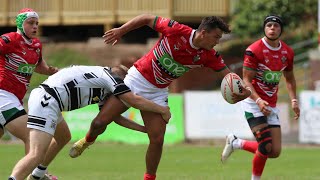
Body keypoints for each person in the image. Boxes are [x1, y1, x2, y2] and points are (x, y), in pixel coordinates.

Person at [70, 14, 252, 180]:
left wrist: (243, 92)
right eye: (216, 37)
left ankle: (149, 178)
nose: (217, 42)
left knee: (157, 140)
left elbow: (229, 78)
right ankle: (87, 140)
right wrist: (121, 30)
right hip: (136, 79)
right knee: (99, 123)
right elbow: (147, 18)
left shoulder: (208, 55)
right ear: (204, 33)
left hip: (157, 92)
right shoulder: (177, 30)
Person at [8, 64, 171, 180]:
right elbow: (133, 100)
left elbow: (113, 117)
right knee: (36, 154)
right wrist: (161, 109)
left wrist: (144, 129)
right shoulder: (109, 78)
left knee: (64, 136)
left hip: (52, 101)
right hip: (47, 100)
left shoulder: (104, 84)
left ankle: (37, 175)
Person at [221, 15, 300, 180]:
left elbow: (290, 78)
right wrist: (257, 100)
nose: (272, 28)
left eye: (276, 26)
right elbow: (246, 80)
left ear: (281, 29)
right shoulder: (253, 50)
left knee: (274, 151)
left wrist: (294, 100)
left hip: (271, 104)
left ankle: (236, 142)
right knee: (265, 145)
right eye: (269, 25)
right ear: (264, 28)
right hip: (252, 103)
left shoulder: (287, 52)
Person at [0, 8, 59, 179]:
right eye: (30, 23)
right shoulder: (9, 39)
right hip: (3, 94)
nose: (35, 27)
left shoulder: (36, 45)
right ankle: (36, 174)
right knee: (32, 135)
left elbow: (40, 66)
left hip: (13, 98)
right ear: (20, 23)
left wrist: (53, 71)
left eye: (37, 23)